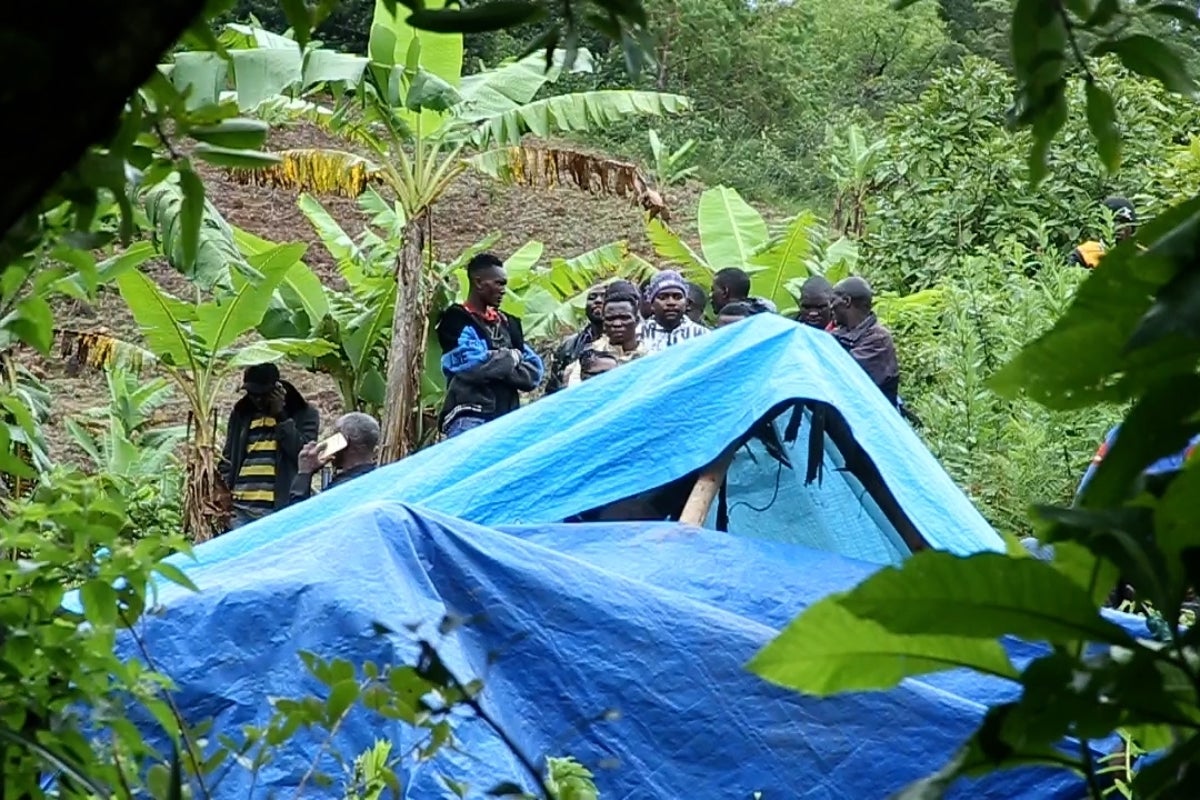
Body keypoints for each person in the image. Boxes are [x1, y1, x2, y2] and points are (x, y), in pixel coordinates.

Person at [436, 253, 544, 438]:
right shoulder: (456, 320)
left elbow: (534, 372)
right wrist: (512, 357)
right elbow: (473, 366)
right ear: (478, 283)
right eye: (498, 283)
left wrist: (495, 362)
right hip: (470, 418)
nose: (503, 290)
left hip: (507, 420)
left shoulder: (509, 323)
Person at [220, 363, 319, 530]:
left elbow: (302, 455)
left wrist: (281, 416)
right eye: (252, 394)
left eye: (263, 394)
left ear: (277, 390)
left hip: (278, 510)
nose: (257, 399)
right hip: (239, 509)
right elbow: (229, 457)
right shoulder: (241, 413)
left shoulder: (303, 413)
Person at [562, 282, 649, 387]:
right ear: (604, 324)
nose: (617, 324)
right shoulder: (589, 357)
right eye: (610, 319)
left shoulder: (650, 354)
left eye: (624, 318)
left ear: (636, 321)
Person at [831, 277, 901, 406]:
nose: (831, 307)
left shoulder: (879, 339)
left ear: (846, 301)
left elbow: (843, 374)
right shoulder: (839, 333)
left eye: (833, 300)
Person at [291, 412, 379, 504]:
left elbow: (299, 514)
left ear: (344, 440)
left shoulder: (339, 490)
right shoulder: (381, 477)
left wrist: (304, 473)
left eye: (334, 435)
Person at [545, 283, 606, 394]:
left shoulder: (624, 341)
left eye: (604, 297)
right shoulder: (569, 345)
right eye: (592, 298)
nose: (598, 301)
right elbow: (553, 388)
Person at [639, 269, 709, 353]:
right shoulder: (638, 334)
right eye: (663, 297)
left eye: (677, 297)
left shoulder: (702, 335)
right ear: (652, 304)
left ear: (686, 303)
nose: (671, 303)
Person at [1068, 196, 1138, 269]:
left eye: (1123, 222)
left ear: (1132, 228)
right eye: (1113, 221)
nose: (1118, 227)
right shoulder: (1084, 253)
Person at [710, 267, 777, 316]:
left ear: (725, 291)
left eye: (713, 290)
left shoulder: (730, 316)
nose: (710, 295)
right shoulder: (765, 309)